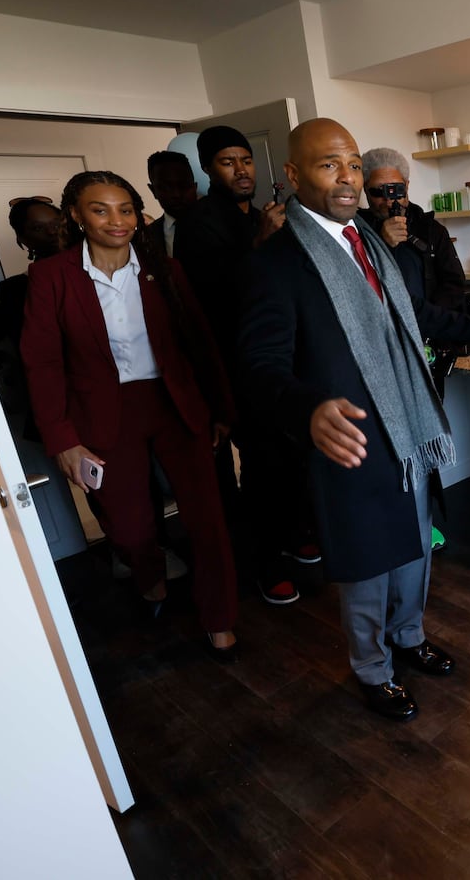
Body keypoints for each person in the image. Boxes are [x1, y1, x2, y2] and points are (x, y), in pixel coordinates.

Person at [238, 118, 470, 721]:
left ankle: (409, 638)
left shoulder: (367, 238)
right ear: (292, 175)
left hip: (405, 428)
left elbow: (409, 315)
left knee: (415, 545)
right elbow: (259, 365)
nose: (347, 178)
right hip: (349, 437)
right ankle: (371, 667)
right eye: (328, 165)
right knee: (366, 559)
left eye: (354, 164)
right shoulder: (277, 264)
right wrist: (308, 409)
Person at [20, 170, 240, 658]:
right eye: (100, 210)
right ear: (76, 215)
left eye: (125, 209)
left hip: (174, 403)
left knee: (207, 518)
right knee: (130, 526)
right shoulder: (52, 276)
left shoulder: (164, 270)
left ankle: (220, 617)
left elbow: (199, 344)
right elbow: (42, 362)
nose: (116, 221)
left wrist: (220, 409)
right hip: (103, 413)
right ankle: (150, 579)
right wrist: (62, 439)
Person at [173, 125, 304, 605]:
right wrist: (261, 244)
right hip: (234, 371)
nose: (241, 170)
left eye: (245, 160)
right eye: (227, 162)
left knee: (292, 456)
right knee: (263, 465)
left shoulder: (263, 214)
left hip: (281, 362)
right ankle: (266, 564)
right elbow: (212, 301)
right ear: (208, 169)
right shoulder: (197, 223)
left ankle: (293, 535)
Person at [359, 146, 467, 551]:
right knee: (387, 444)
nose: (391, 201)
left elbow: (454, 285)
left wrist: (429, 331)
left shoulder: (430, 230)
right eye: (379, 192)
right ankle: (395, 522)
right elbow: (355, 293)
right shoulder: (357, 233)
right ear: (365, 193)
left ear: (408, 186)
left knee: (425, 437)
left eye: (397, 190)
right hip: (378, 358)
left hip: (427, 353)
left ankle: (425, 521)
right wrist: (382, 246)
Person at [0, 197, 63, 342]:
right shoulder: (15, 289)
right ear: (22, 239)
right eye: (38, 228)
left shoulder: (98, 268)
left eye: (57, 224)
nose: (52, 232)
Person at [145, 150, 199, 258]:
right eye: (165, 188)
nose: (176, 194)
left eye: (183, 186)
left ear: (195, 187)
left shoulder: (222, 224)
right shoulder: (146, 237)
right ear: (153, 191)